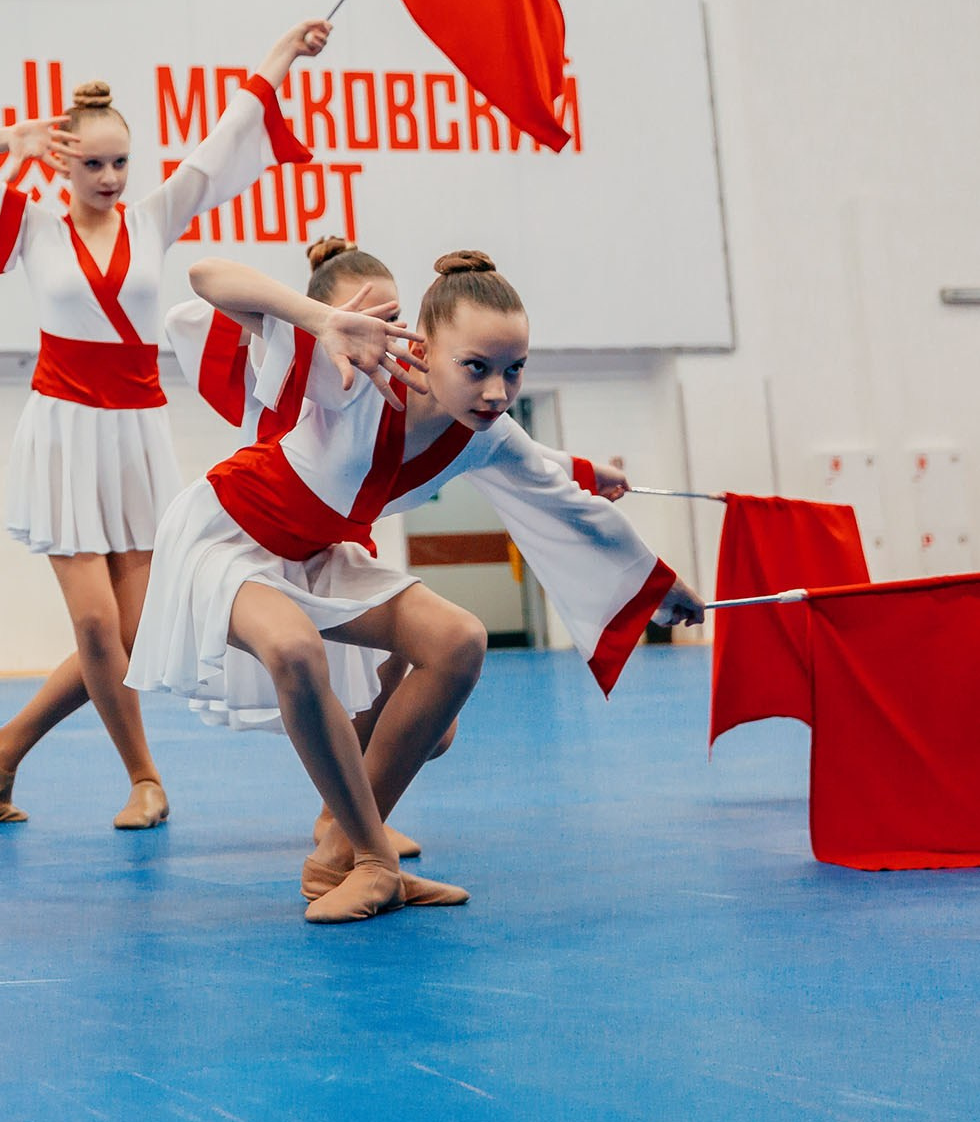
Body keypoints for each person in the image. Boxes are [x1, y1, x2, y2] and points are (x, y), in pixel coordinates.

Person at [130, 250, 701, 922]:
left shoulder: (487, 434)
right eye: (477, 368)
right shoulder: (355, 374)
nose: (496, 391)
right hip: (224, 536)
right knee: (293, 648)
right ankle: (377, 862)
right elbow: (205, 276)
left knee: (458, 640)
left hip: (316, 552)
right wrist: (325, 319)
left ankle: (345, 853)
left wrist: (658, 587)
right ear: (424, 350)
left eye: (514, 370)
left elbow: (563, 497)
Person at [0, 23, 331, 829]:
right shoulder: (33, 224)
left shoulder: (152, 218)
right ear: (63, 160)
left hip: (136, 432)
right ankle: (145, 777)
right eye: (92, 162)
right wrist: (14, 137)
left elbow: (225, 140)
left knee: (139, 634)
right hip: (66, 433)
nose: (109, 177)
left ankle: (3, 747)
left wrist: (281, 54)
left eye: (119, 163)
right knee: (96, 623)